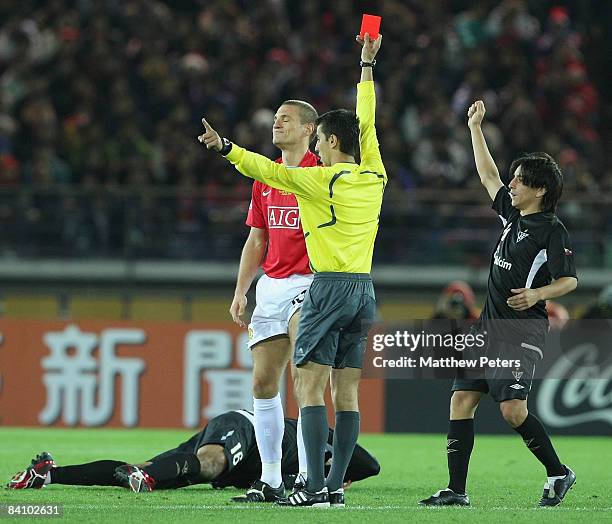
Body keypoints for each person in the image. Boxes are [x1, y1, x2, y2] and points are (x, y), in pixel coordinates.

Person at [198, 33, 385, 507]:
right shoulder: (375, 173)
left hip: (322, 287)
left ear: (325, 140)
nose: (317, 147)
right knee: (343, 394)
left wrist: (226, 149)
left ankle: (310, 483)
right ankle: (329, 487)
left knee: (308, 384)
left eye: (320, 139)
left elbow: (268, 170)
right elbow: (368, 123)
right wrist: (367, 66)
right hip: (363, 290)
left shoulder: (314, 179)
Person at [420, 100, 578, 508]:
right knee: (461, 400)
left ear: (540, 190)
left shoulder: (551, 230)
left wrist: (539, 294)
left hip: (521, 331)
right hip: (486, 330)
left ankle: (559, 473)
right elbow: (488, 174)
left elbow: (570, 280)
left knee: (511, 411)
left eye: (520, 180)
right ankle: (456, 491)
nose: (512, 184)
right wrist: (475, 128)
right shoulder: (513, 217)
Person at [229, 98, 319, 503]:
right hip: (271, 286)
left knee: (305, 380)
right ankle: (271, 479)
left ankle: (306, 477)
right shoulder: (265, 178)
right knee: (264, 382)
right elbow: (257, 238)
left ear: (308, 130)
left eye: (287, 119)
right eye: (276, 119)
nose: (277, 124)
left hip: (312, 284)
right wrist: (241, 290)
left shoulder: (325, 174)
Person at [7, 410, 380, 499]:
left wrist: (336, 474)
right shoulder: (308, 430)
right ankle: (150, 480)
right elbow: (366, 464)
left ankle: (48, 473)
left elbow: (370, 466)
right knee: (210, 461)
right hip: (245, 429)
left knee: (139, 469)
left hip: (242, 469)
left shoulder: (326, 452)